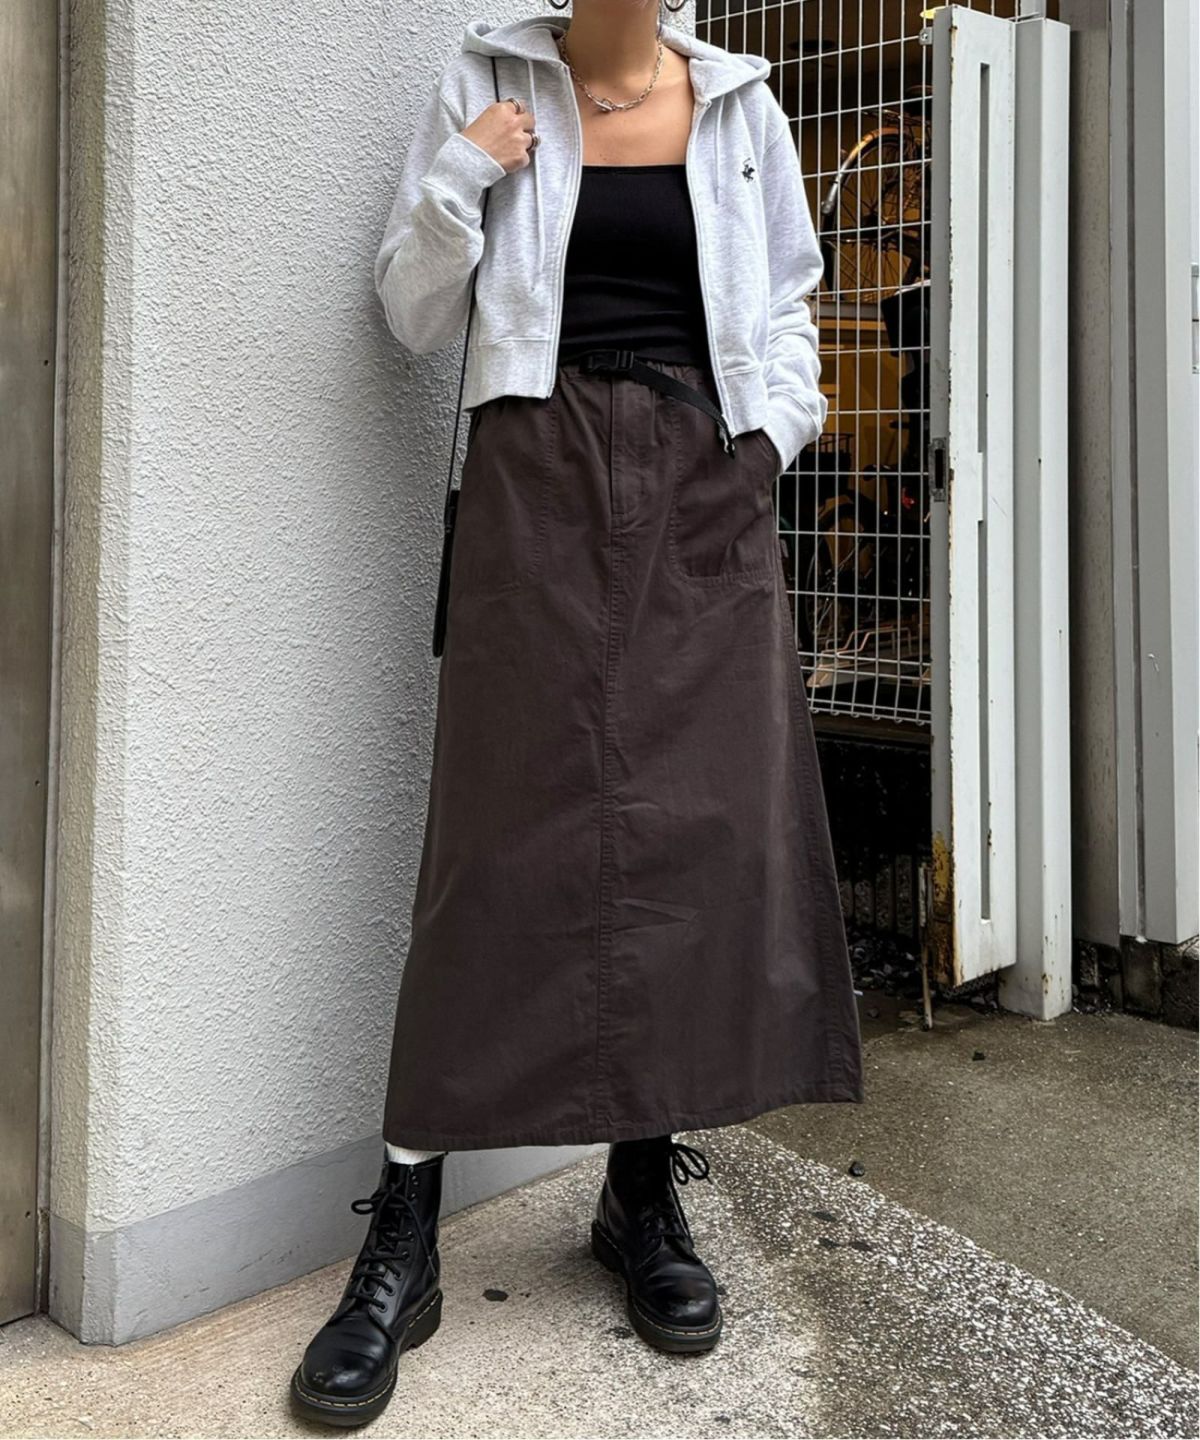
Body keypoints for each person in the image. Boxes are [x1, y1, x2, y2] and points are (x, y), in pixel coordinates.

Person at [290, 2, 864, 1426]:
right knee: (491, 852)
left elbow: (790, 300)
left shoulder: (740, 107)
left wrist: (768, 440)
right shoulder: (488, 80)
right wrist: (463, 174)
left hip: (706, 482)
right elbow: (412, 312)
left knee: (690, 840)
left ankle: (638, 1193)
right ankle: (406, 1228)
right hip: (532, 477)